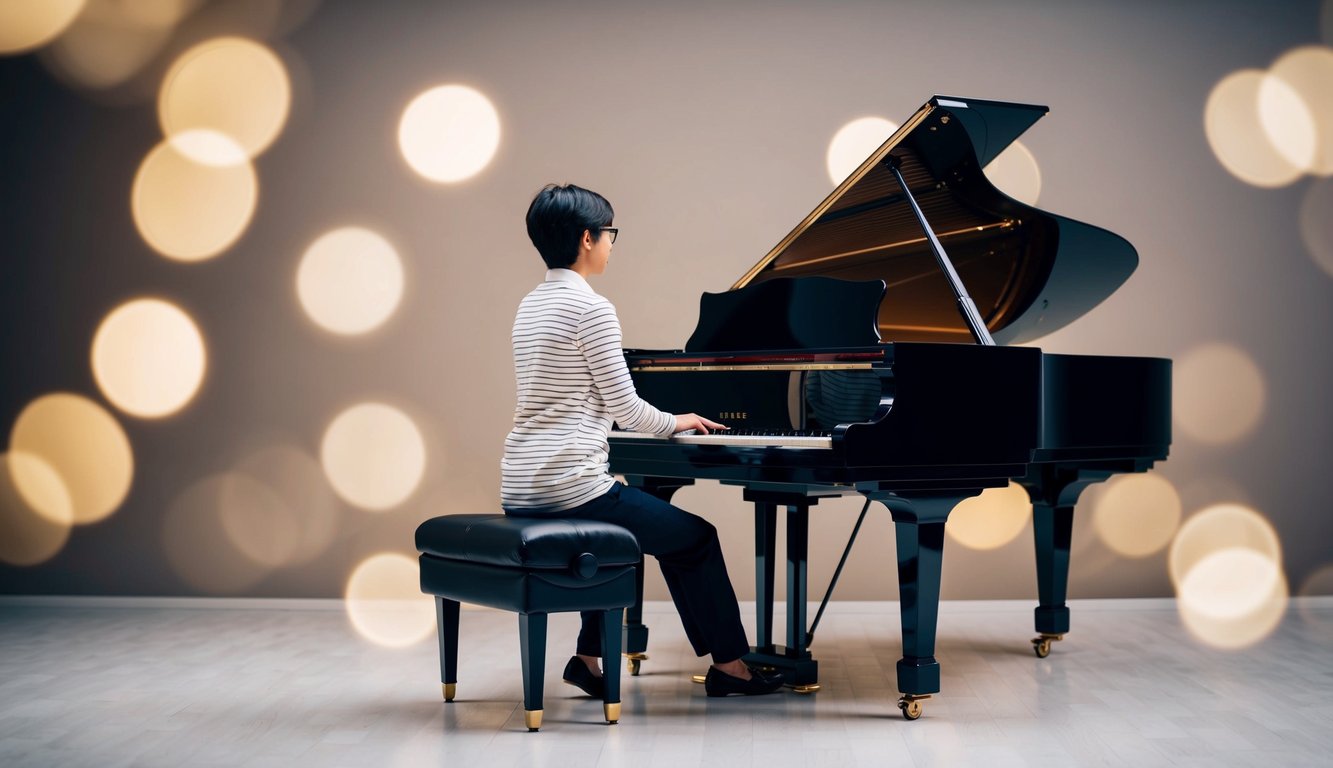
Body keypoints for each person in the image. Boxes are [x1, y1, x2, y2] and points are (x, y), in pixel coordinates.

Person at [500, 183, 783, 698]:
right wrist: (680, 420)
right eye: (611, 234)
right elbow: (626, 410)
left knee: (619, 532)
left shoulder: (530, 306)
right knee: (696, 540)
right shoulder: (592, 310)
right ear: (587, 239)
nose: (612, 243)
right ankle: (730, 667)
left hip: (521, 483)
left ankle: (588, 658)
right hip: (570, 487)